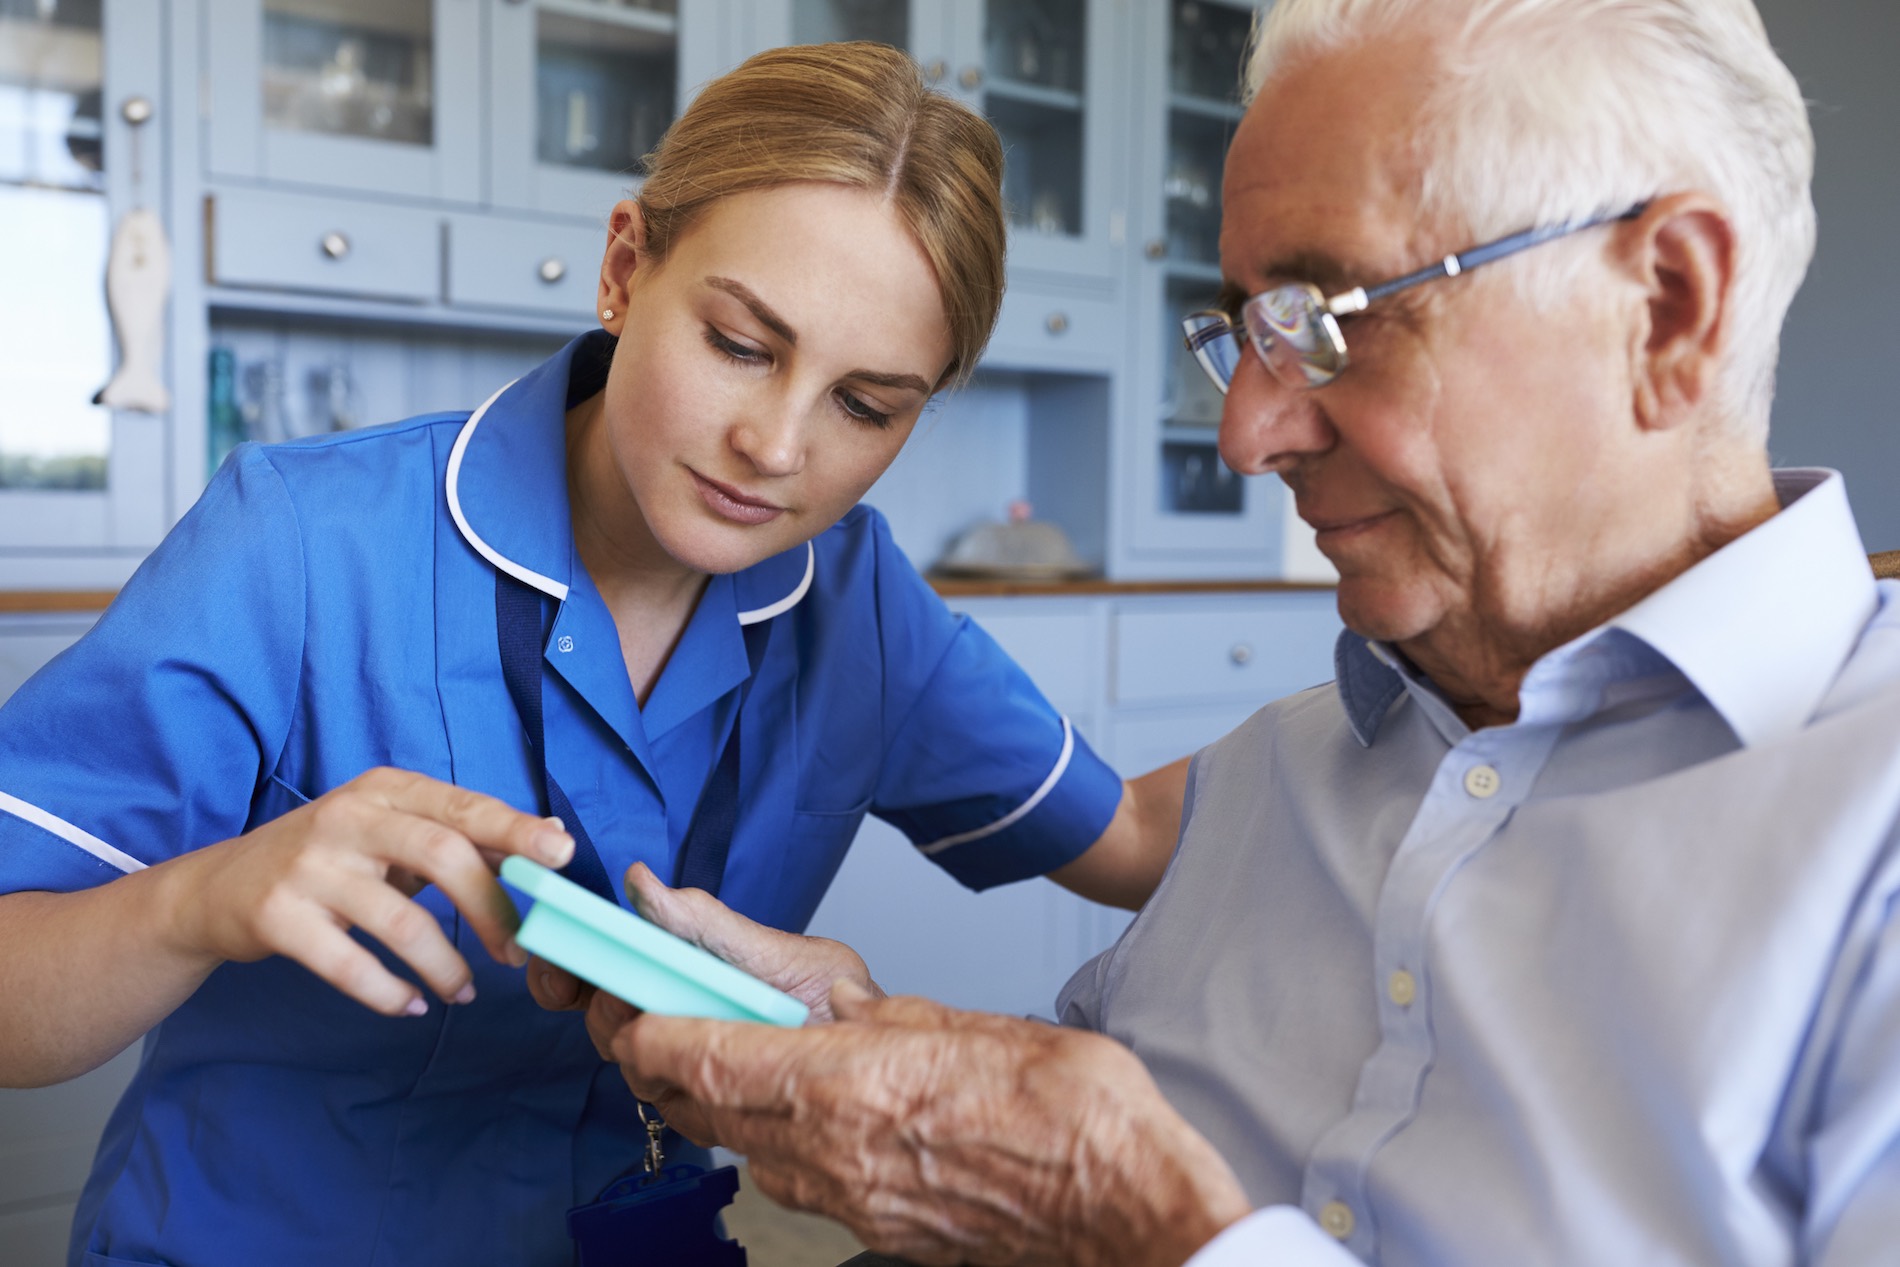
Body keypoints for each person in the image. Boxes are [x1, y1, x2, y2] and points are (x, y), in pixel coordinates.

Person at [577, 2, 1900, 1264]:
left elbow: (1115, 1172)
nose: (1244, 434)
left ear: (1667, 302)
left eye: (1326, 321)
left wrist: (1151, 1226)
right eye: (1251, 331)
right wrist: (887, 1053)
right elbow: (1084, 1120)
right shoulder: (1281, 770)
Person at [0, 43, 1192, 1267]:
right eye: (740, 343)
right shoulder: (301, 542)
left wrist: (1401, 665)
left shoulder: (860, 604)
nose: (775, 445)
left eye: (865, 406)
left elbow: (1143, 839)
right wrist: (200, 899)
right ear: (626, 268)